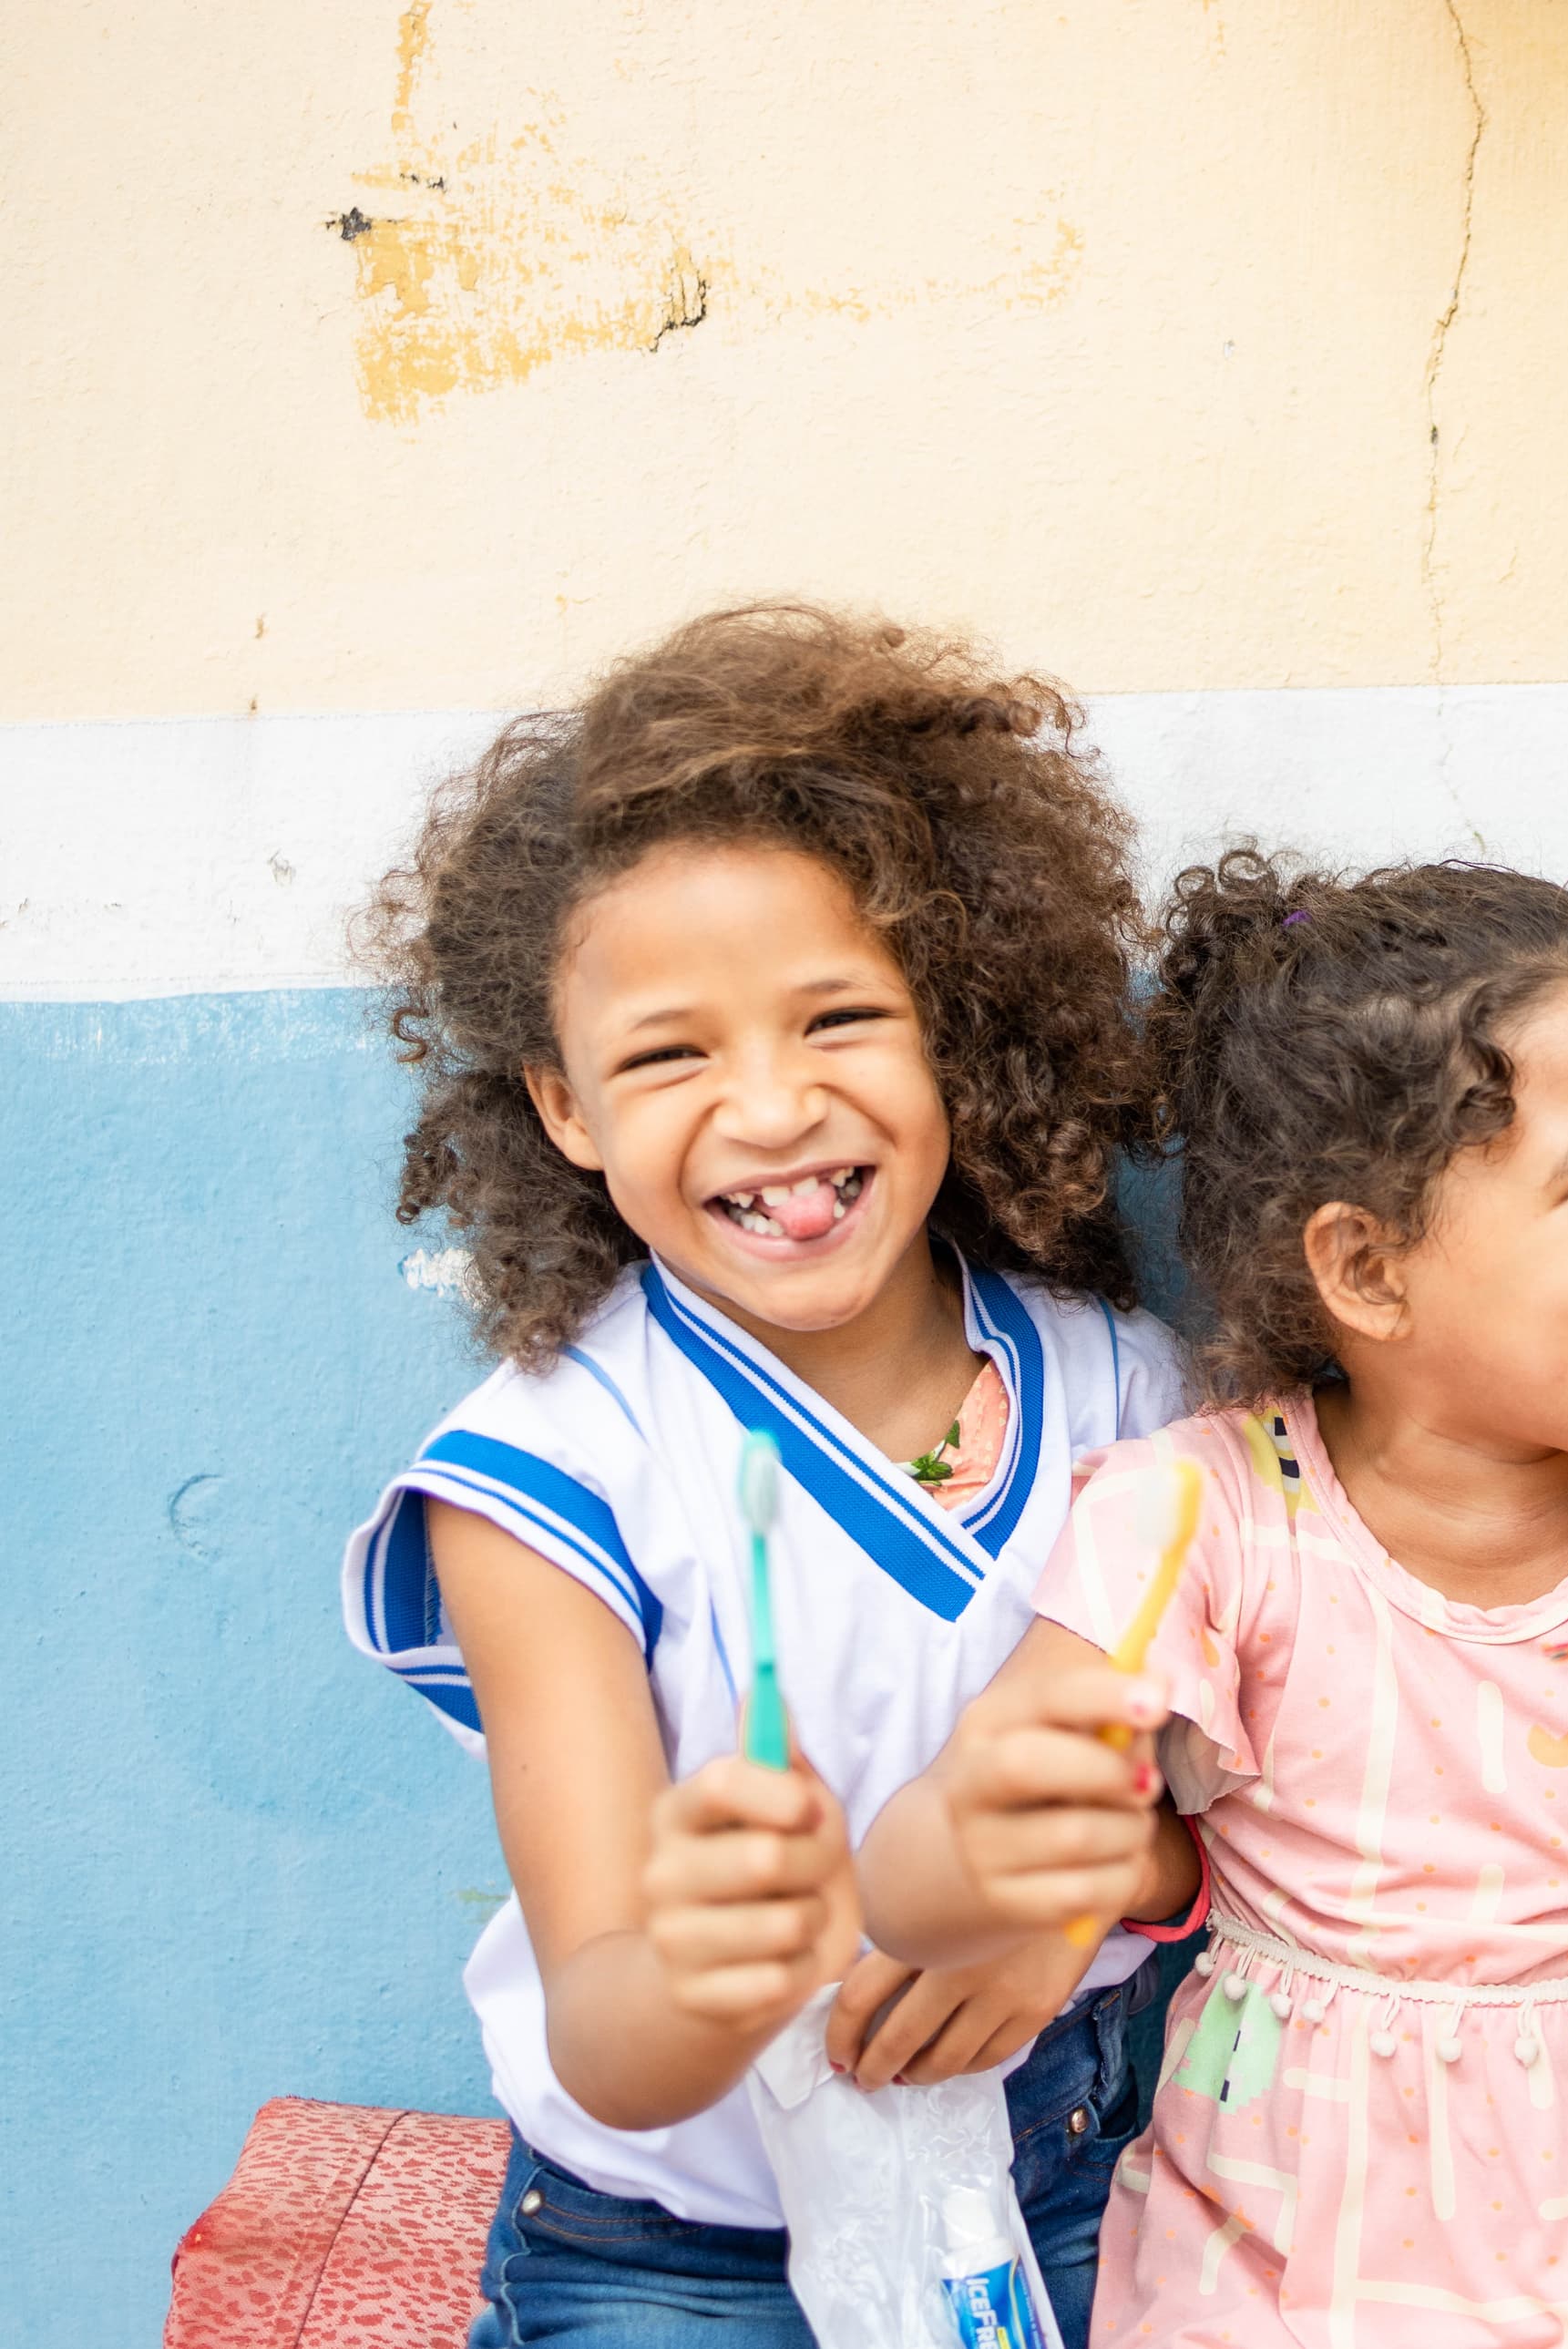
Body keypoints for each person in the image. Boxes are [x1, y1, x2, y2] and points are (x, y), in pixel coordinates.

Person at [856, 853, 1568, 2349]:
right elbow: (917, 1879)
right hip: (1264, 2287)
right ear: (1367, 1268)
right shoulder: (1200, 1518)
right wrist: (988, 1845)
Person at [341, 605, 1188, 2345]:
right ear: (565, 1107)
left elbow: (1241, 1836)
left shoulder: (1127, 1394)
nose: (774, 1106)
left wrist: (1083, 1894)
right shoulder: (550, 1476)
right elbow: (609, 2036)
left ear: (949, 1028)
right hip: (673, 2255)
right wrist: (702, 1965)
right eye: (670, 1053)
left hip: (1057, 2179)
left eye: (837, 1018)